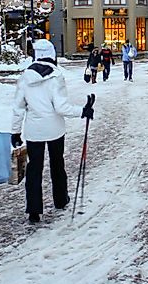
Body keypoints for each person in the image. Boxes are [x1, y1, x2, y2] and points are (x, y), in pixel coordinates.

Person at [11, 39, 94, 224]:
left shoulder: (25, 76)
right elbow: (61, 107)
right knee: (57, 164)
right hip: (55, 129)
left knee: (34, 168)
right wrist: (83, 111)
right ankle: (60, 199)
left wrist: (15, 132)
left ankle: (34, 210)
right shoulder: (56, 76)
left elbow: (18, 107)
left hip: (34, 130)